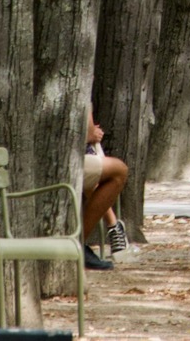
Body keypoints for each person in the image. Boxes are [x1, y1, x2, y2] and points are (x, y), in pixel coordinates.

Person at [81, 111, 128, 270]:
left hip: (83, 153)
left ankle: (114, 227)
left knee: (105, 174)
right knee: (118, 171)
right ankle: (79, 242)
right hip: (71, 157)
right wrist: (89, 134)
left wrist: (91, 132)